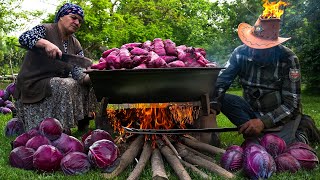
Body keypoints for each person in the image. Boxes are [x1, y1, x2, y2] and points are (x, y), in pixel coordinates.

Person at [210, 15, 320, 145]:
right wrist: (212, 109)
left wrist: (263, 122)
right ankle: (254, 131)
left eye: (264, 46)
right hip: (250, 111)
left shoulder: (289, 58)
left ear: (274, 45)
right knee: (225, 99)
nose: (257, 49)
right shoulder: (239, 53)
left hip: (278, 115)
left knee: (278, 147)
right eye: (254, 44)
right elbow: (221, 82)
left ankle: (302, 129)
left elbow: (292, 105)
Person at [14, 3, 96, 133]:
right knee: (66, 84)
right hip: (34, 82)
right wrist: (45, 44)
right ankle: (60, 129)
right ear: (61, 16)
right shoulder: (45, 29)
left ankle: (83, 123)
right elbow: (24, 38)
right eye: (73, 17)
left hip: (53, 81)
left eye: (80, 21)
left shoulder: (75, 43)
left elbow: (78, 73)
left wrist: (92, 77)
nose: (77, 22)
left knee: (88, 84)